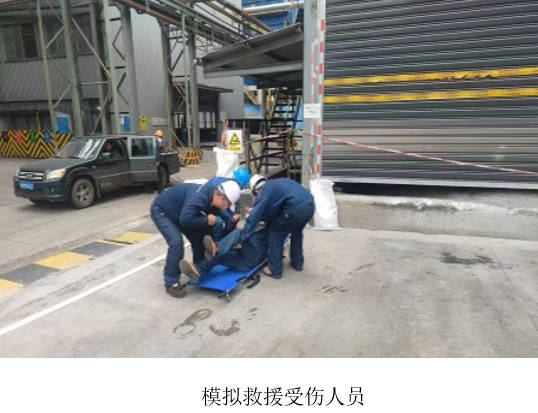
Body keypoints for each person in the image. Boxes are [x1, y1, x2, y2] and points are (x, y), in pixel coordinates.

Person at [150, 178, 241, 298]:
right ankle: (171, 283)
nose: (227, 207)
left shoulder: (214, 198)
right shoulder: (200, 198)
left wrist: (213, 240)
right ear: (222, 198)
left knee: (198, 237)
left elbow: (211, 224)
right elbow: (185, 219)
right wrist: (206, 220)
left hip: (181, 211)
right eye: (228, 204)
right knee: (176, 242)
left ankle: (198, 268)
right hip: (162, 211)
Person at [238, 175, 315, 279]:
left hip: (294, 208)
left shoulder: (264, 191)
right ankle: (297, 263)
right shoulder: (277, 184)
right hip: (310, 205)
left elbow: (253, 218)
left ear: (256, 190)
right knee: (297, 231)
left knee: (275, 233)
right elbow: (276, 209)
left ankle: (274, 269)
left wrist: (242, 238)